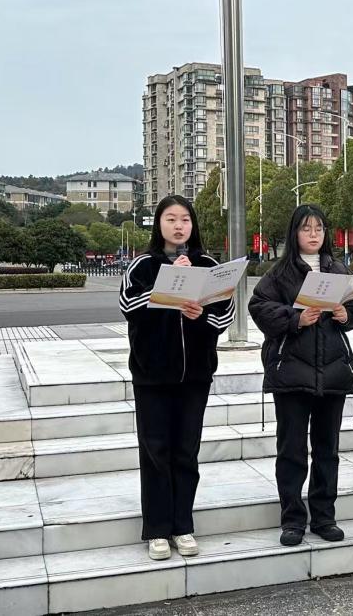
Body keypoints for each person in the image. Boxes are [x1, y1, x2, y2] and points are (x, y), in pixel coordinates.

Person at [119, 195, 236, 561]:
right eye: (171, 219)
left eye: (185, 219)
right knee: (155, 451)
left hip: (195, 376)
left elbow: (224, 315)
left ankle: (182, 525)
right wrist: (170, 284)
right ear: (159, 224)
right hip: (152, 376)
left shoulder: (208, 265)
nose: (179, 226)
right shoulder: (143, 265)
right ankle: (157, 529)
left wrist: (200, 314)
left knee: (186, 451)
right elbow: (128, 305)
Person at [248, 204, 353, 547]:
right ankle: (292, 520)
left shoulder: (337, 269)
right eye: (306, 228)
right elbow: (259, 307)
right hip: (291, 373)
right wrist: (295, 318)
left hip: (333, 372)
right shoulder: (280, 273)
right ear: (295, 233)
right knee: (291, 450)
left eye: (319, 228)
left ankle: (324, 516)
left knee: (327, 449)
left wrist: (346, 314)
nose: (313, 234)